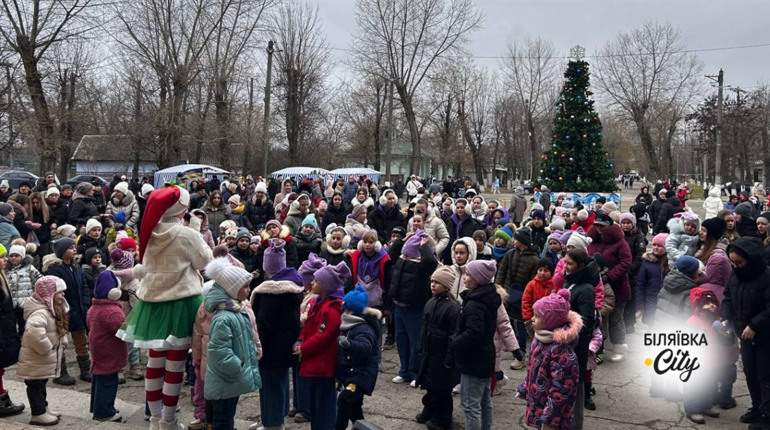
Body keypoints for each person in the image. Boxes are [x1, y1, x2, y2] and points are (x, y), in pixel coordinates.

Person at [116, 185, 213, 429]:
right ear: (182, 207)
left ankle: (155, 418)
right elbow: (204, 262)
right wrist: (195, 230)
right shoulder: (186, 234)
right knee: (175, 366)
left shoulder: (149, 231)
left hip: (152, 303)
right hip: (181, 301)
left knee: (154, 363)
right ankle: (168, 420)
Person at [250, 239, 305, 430]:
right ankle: (277, 418)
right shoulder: (292, 288)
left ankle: (272, 423)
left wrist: (257, 347)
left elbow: (264, 324)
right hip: (284, 346)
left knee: (270, 386)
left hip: (271, 348)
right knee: (280, 383)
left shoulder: (271, 293)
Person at [203, 257, 262, 430]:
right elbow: (219, 352)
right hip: (226, 380)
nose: (248, 290)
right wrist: (238, 366)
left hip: (230, 380)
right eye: (244, 286)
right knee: (223, 419)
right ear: (232, 289)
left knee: (227, 416)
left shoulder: (235, 310)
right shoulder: (223, 317)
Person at [721, 237, 770, 428]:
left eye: (739, 262)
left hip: (764, 336)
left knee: (765, 376)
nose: (735, 266)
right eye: (732, 262)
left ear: (752, 259)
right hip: (745, 335)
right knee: (751, 373)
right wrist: (725, 317)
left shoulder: (766, 277)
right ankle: (757, 407)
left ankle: (767, 416)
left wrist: (755, 325)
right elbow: (727, 298)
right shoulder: (735, 276)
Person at [295, 262, 350, 430]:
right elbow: (310, 327)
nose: (312, 283)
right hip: (316, 363)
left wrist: (303, 348)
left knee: (324, 405)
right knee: (316, 405)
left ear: (325, 286)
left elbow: (323, 335)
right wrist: (300, 339)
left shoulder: (331, 309)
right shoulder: (319, 303)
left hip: (325, 365)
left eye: (316, 281)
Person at [519, 290, 581, 430]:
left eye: (537, 316)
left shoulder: (561, 352)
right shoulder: (539, 339)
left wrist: (549, 420)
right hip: (536, 406)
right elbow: (533, 369)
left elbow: (561, 390)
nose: (532, 319)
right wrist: (525, 387)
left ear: (550, 321)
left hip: (552, 418)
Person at [453, 259, 501, 430]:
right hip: (485, 357)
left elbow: (474, 333)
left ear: (479, 279)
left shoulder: (475, 304)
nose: (465, 278)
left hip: (474, 360)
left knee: (470, 405)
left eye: (468, 275)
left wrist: (455, 343)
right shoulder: (487, 297)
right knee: (484, 400)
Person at [389, 231, 439, 385]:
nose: (406, 257)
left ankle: (415, 372)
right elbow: (391, 254)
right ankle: (403, 370)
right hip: (399, 305)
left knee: (415, 341)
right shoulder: (401, 259)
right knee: (401, 339)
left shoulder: (422, 265)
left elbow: (431, 262)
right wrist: (401, 240)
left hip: (415, 307)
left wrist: (424, 246)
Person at [17, 276, 68, 425]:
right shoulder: (40, 313)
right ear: (49, 294)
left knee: (41, 384)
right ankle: (37, 413)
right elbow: (33, 333)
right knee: (35, 386)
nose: (63, 295)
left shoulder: (49, 308)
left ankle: (43, 408)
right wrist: (47, 348)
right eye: (59, 292)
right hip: (36, 358)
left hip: (41, 359)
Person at [414, 266, 460, 430]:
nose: (433, 285)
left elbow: (454, 335)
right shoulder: (430, 302)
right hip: (429, 353)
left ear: (446, 286)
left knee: (442, 390)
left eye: (437, 282)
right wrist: (421, 346)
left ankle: (443, 419)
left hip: (442, 357)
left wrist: (449, 358)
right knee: (430, 386)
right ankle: (429, 410)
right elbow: (424, 327)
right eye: (432, 281)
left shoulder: (453, 308)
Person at [44, 237, 92, 385]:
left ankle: (85, 370)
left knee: (81, 341)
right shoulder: (54, 270)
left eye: (74, 247)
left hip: (78, 310)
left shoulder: (76, 267)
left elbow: (84, 285)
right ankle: (60, 372)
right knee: (60, 342)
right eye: (70, 247)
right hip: (62, 311)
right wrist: (59, 308)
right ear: (61, 251)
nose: (74, 249)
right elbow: (52, 292)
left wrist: (85, 302)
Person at [683, 287, 734, 424]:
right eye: (706, 303)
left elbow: (728, 340)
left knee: (709, 385)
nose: (711, 306)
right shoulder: (693, 322)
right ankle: (692, 409)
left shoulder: (718, 320)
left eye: (713, 303)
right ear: (698, 306)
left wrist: (726, 334)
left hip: (713, 359)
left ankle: (705, 406)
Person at [334, 285, 381, 429]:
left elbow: (364, 347)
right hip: (352, 372)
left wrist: (349, 344)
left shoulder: (363, 327)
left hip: (362, 373)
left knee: (345, 399)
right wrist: (339, 377)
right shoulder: (348, 326)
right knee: (354, 408)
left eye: (347, 310)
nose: (344, 313)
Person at [587, 213, 632, 362]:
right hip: (595, 284)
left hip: (617, 286)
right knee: (598, 317)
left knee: (615, 317)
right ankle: (598, 346)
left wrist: (609, 276)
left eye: (602, 225)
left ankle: (619, 346)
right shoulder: (593, 240)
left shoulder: (620, 242)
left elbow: (625, 262)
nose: (599, 228)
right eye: (597, 225)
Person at [495, 227, 541, 369]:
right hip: (508, 293)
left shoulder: (534, 259)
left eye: (516, 238)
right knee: (507, 321)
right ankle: (510, 344)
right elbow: (502, 271)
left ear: (522, 241)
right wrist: (498, 287)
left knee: (522, 323)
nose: (513, 241)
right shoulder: (510, 254)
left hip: (523, 296)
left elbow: (534, 281)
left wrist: (528, 295)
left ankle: (521, 353)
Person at [560, 249, 597, 430]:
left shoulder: (586, 289)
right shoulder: (571, 281)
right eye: (565, 262)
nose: (565, 267)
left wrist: (564, 334)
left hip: (575, 348)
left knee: (576, 391)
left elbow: (585, 321)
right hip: (565, 346)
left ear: (580, 266)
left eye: (569, 264)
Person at [87, 271, 126, 423]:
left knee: (98, 379)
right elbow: (122, 331)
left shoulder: (94, 308)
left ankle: (97, 408)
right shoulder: (112, 312)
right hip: (110, 351)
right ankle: (105, 412)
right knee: (108, 382)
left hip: (98, 349)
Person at [635, 234, 669, 326]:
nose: (656, 248)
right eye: (654, 245)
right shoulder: (647, 263)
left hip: (666, 304)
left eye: (659, 246)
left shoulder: (671, 263)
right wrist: (640, 305)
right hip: (650, 301)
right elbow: (640, 285)